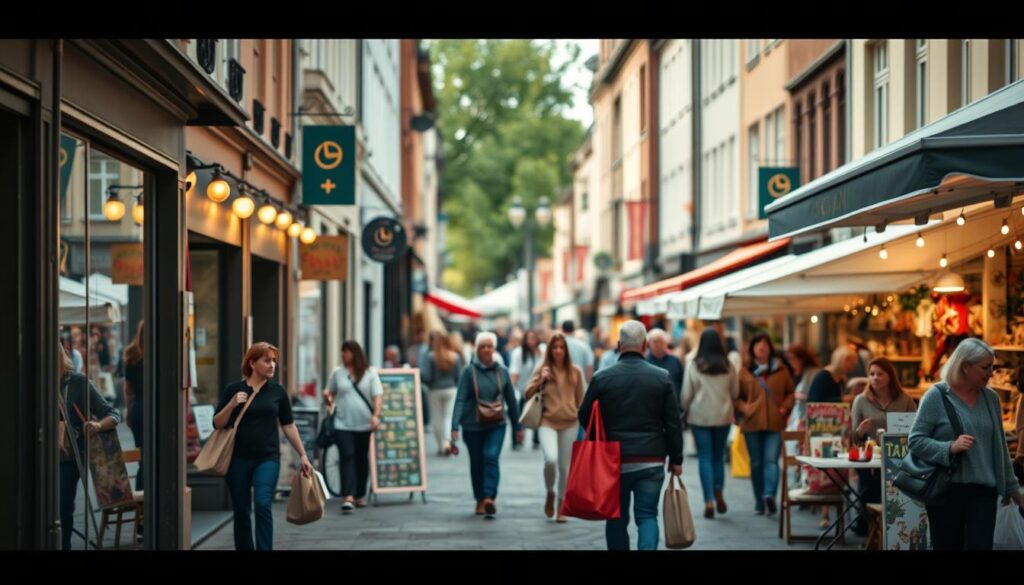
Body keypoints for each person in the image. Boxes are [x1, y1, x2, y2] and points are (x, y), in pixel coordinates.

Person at [908, 338, 1022, 550]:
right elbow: (915, 440)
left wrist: (1013, 488)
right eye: (985, 367)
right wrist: (948, 448)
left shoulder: (991, 398)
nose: (990, 373)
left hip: (983, 493)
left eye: (993, 367)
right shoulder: (936, 396)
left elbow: (999, 448)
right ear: (965, 366)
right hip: (946, 491)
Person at [579, 320, 683, 550]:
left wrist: (601, 439)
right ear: (644, 345)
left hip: (613, 461)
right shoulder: (662, 376)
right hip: (652, 458)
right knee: (647, 515)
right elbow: (674, 422)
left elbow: (584, 415)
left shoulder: (602, 377)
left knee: (615, 517)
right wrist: (676, 459)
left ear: (619, 345)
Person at [214, 342, 311, 551]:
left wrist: (302, 455)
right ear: (252, 362)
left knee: (262, 504)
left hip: (267, 459)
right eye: (267, 360)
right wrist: (231, 404)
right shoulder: (234, 389)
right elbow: (217, 423)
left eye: (274, 361)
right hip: (236, 459)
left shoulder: (277, 392)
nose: (272, 365)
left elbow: (289, 425)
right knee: (241, 511)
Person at [57, 342, 121, 550]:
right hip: (38, 456)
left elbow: (112, 414)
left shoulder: (77, 382)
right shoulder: (32, 381)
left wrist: (97, 425)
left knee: (63, 506)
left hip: (69, 457)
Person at [451, 332, 522, 519]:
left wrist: (518, 427)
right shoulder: (468, 372)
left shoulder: (502, 371)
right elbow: (460, 399)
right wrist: (454, 426)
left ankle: (489, 496)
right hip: (472, 425)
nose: (486, 349)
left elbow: (512, 402)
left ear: (494, 349)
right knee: (476, 463)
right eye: (482, 346)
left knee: (490, 456)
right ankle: (479, 499)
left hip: (496, 424)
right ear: (477, 349)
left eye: (489, 346)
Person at [850, 357, 917, 533]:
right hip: (870, 457)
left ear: (890, 377)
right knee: (868, 489)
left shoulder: (905, 400)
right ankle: (867, 529)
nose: (875, 378)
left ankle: (893, 529)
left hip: (899, 456)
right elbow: (853, 438)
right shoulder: (860, 400)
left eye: (880, 374)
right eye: (871, 374)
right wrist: (860, 431)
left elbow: (917, 431)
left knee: (895, 491)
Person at [523, 332, 584, 523]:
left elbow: (581, 401)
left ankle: (561, 505)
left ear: (566, 350)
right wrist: (541, 379)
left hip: (570, 423)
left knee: (565, 468)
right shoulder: (542, 369)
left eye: (562, 347)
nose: (558, 350)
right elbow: (526, 394)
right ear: (550, 350)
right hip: (547, 422)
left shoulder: (575, 371)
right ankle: (550, 492)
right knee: (550, 459)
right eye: (555, 347)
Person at [681, 328, 739, 519]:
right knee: (718, 456)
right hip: (723, 416)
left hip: (700, 417)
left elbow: (686, 394)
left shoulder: (694, 364)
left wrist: (684, 408)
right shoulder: (728, 365)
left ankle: (708, 500)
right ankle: (718, 490)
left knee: (705, 456)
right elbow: (735, 392)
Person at [736, 332, 795, 516]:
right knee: (756, 463)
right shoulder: (744, 371)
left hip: (775, 423)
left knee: (771, 461)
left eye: (765, 344)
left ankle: (769, 495)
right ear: (752, 349)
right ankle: (759, 502)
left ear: (770, 349)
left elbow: (791, 393)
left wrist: (784, 408)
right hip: (752, 423)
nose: (762, 347)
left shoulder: (781, 370)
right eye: (758, 344)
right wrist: (745, 408)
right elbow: (736, 397)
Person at [323, 340, 383, 513]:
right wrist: (328, 398)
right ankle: (348, 495)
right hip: (342, 422)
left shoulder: (370, 373)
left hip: (364, 423)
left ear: (355, 353)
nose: (344, 355)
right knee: (347, 455)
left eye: (347, 351)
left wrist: (376, 416)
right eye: (342, 351)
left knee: (360, 457)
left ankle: (359, 494)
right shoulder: (338, 373)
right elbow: (330, 392)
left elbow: (377, 396)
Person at [805, 345, 857, 526]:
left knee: (837, 470)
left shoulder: (840, 379)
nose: (853, 366)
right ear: (842, 360)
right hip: (822, 429)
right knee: (827, 469)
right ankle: (825, 514)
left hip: (836, 429)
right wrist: (842, 400)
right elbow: (813, 402)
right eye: (851, 362)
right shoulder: (823, 376)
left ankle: (832, 512)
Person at [422, 331, 464, 456]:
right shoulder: (455, 357)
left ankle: (441, 445)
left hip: (434, 390)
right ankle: (447, 441)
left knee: (436, 419)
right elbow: (459, 376)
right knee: (448, 417)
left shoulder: (431, 356)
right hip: (451, 390)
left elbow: (427, 376)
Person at [510, 329, 546, 450]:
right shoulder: (518, 352)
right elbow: (514, 372)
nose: (531, 341)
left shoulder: (542, 350)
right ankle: (517, 439)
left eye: (534, 338)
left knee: (537, 413)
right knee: (519, 415)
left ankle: (536, 440)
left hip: (538, 388)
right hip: (522, 390)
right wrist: (512, 391)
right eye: (529, 338)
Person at [123, 320, 145, 490]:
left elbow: (128, 390)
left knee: (143, 459)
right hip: (155, 408)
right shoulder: (162, 353)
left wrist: (129, 412)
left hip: (138, 408)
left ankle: (142, 504)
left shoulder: (132, 354)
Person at [646, 328, 684, 403]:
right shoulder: (645, 362)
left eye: (659, 341)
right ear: (649, 344)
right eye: (654, 341)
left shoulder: (675, 361)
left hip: (675, 405)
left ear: (665, 343)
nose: (657, 344)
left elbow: (682, 382)